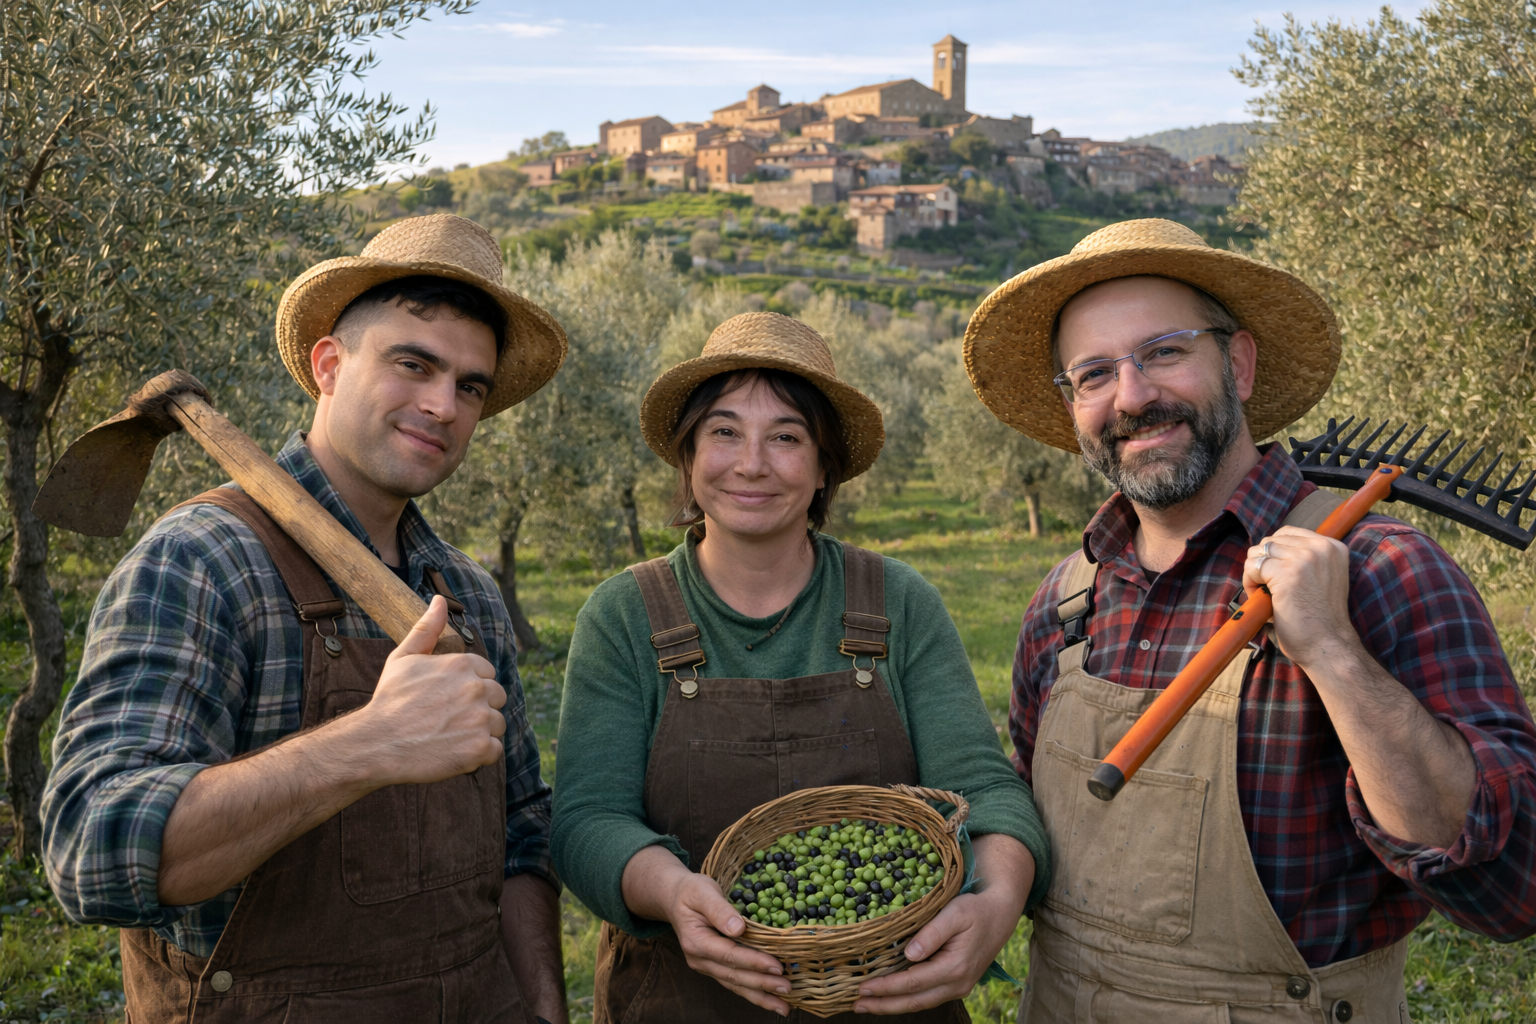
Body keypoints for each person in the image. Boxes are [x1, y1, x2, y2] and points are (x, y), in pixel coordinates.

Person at [961, 218, 1536, 1023]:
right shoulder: (1067, 600)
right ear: (1072, 408)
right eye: (1094, 374)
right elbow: (1025, 813)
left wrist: (1334, 651)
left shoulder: (1382, 569)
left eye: (1164, 351)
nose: (1131, 396)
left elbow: (1512, 893)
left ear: (1237, 363)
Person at [42, 214, 572, 1024]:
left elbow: (524, 829)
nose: (443, 404)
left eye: (470, 385)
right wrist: (370, 743)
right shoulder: (203, 561)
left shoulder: (467, 593)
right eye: (413, 363)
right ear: (329, 364)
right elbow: (93, 848)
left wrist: (539, 1004)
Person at [552, 312, 1049, 1022]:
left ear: (823, 469)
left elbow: (983, 787)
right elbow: (586, 818)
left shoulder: (899, 603)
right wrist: (673, 891)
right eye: (724, 432)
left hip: (889, 997)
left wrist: (998, 901)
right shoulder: (624, 615)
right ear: (688, 458)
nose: (751, 463)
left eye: (786, 437)